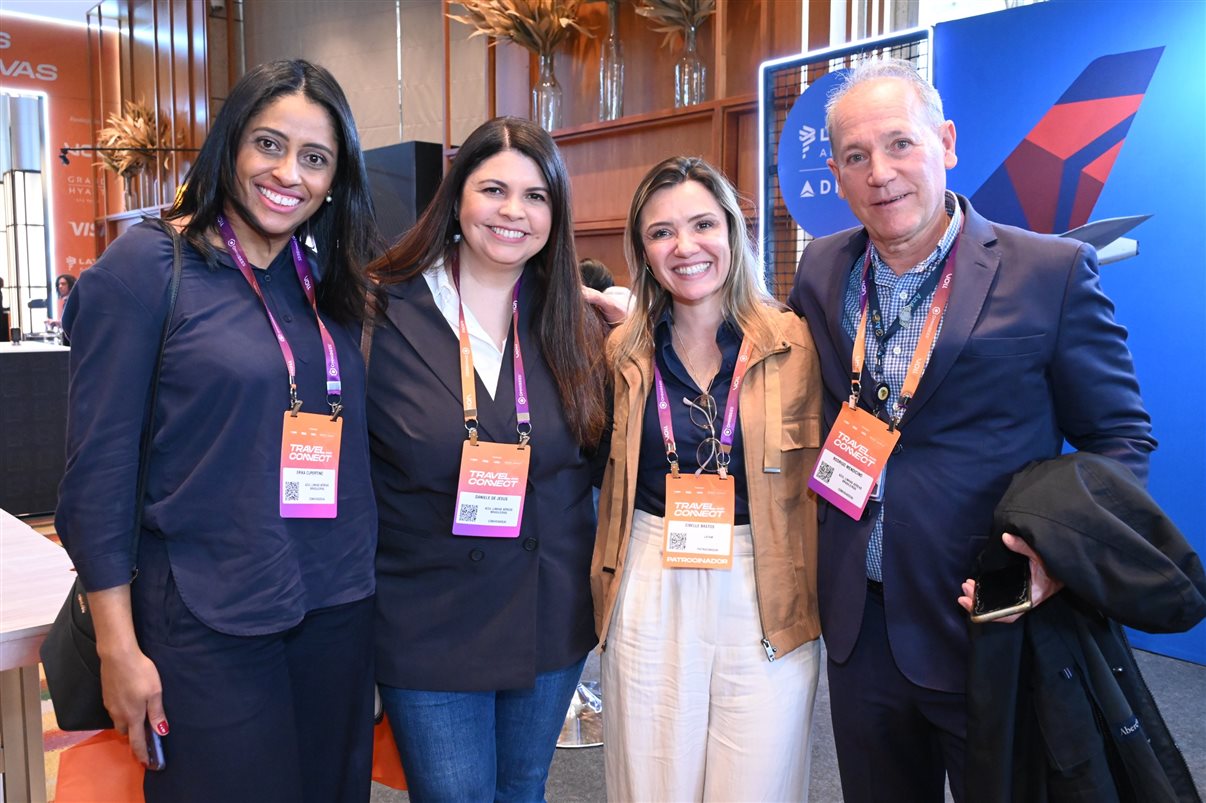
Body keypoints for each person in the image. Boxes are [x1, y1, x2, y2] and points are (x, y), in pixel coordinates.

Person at [787, 57, 1155, 803]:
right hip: (861, 624)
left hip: (987, 615)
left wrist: (1063, 556)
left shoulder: (1049, 272)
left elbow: (1120, 436)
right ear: (835, 170)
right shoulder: (823, 269)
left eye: (899, 144)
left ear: (946, 141)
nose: (880, 173)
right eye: (855, 157)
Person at [55, 59, 382, 803]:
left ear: (336, 179)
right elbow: (96, 476)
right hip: (208, 622)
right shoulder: (147, 267)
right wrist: (118, 646)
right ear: (230, 142)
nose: (288, 173)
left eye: (315, 158)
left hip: (334, 609)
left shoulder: (324, 283)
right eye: (269, 144)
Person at [364, 116, 607, 802]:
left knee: (522, 789)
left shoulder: (575, 321)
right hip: (429, 617)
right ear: (456, 198)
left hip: (549, 613)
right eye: (493, 188)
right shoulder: (381, 311)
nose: (513, 211)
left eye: (535, 196)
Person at [593, 156, 824, 801]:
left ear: (733, 231)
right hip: (649, 567)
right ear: (642, 251)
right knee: (651, 780)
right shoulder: (620, 352)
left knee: (759, 782)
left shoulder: (799, 343)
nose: (685, 247)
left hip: (766, 577)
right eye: (661, 232)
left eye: (702, 224)